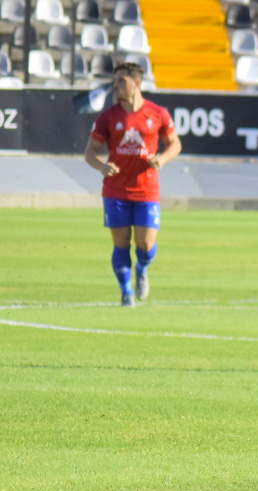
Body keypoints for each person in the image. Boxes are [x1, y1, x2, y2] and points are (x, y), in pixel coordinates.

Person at [83, 62, 181, 307]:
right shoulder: (108, 117)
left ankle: (143, 267)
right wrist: (101, 166)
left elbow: (175, 144)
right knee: (121, 242)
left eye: (121, 81)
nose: (116, 86)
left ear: (137, 84)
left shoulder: (157, 113)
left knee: (146, 244)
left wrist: (161, 159)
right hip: (115, 190)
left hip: (147, 189)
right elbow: (90, 152)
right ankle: (126, 292)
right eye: (115, 81)